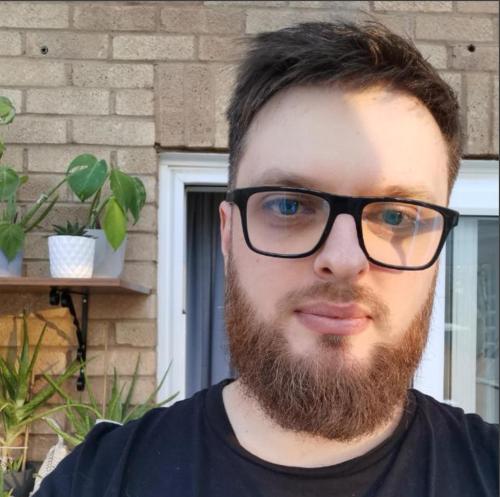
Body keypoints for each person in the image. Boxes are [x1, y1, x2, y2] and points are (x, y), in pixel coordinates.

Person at [34, 21, 498, 497]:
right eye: (289, 206)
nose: (345, 259)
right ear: (227, 233)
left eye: (397, 216)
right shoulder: (94, 482)